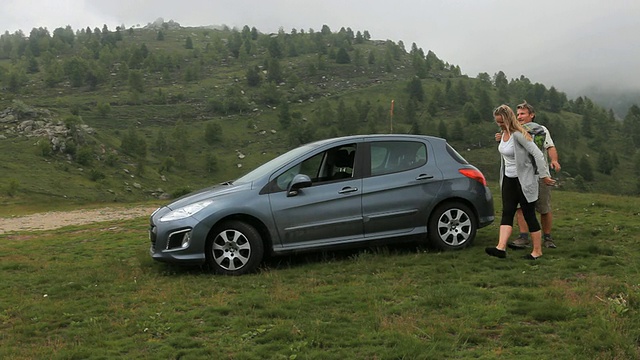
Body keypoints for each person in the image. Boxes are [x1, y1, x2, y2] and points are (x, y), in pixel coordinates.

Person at [486, 105, 555, 260]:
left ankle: (537, 251)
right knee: (507, 212)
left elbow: (537, 154)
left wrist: (543, 176)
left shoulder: (519, 135)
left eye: (502, 122)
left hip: (524, 180)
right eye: (498, 123)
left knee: (529, 214)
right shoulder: (504, 134)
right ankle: (500, 248)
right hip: (509, 179)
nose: (500, 125)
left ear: (508, 119)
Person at [508, 101, 561, 249]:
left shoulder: (541, 130)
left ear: (532, 115)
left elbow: (549, 146)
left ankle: (548, 237)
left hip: (539, 174)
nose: (519, 117)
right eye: (517, 114)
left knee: (544, 207)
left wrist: (554, 160)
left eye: (523, 114)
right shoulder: (513, 130)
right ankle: (523, 237)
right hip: (521, 175)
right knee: (520, 207)